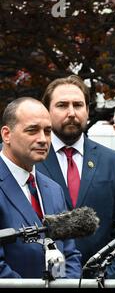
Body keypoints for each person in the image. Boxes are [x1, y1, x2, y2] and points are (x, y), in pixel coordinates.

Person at [36, 75, 115, 277]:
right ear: (47, 111)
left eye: (78, 105)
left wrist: (108, 276)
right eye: (62, 105)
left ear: (87, 110)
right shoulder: (31, 159)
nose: (71, 113)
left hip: (99, 279)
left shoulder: (112, 161)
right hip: (44, 278)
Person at [0, 97, 81, 278]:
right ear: (7, 134)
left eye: (47, 131)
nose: (43, 139)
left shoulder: (53, 189)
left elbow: (70, 254)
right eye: (32, 130)